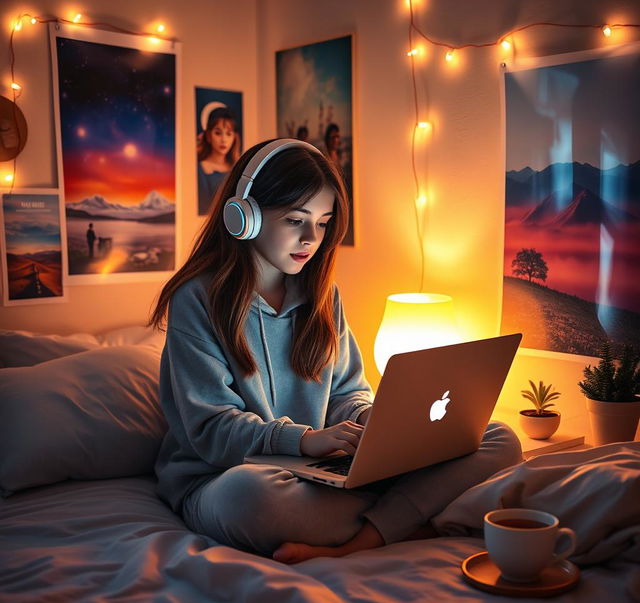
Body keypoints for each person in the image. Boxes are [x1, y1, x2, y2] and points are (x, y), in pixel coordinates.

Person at [150, 138, 522, 564]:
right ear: (244, 216)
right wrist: (305, 441)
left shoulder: (324, 296)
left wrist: (374, 423)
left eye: (324, 223)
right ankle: (411, 518)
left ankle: (364, 539)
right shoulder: (195, 298)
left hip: (324, 473)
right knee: (252, 498)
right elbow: (212, 431)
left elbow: (347, 392)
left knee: (498, 438)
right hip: (227, 476)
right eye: (296, 219)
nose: (312, 238)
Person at [197, 106, 241, 215]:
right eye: (218, 133)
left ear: (234, 137)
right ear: (208, 135)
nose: (224, 139)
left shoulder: (238, 168)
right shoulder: (200, 169)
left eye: (229, 133)